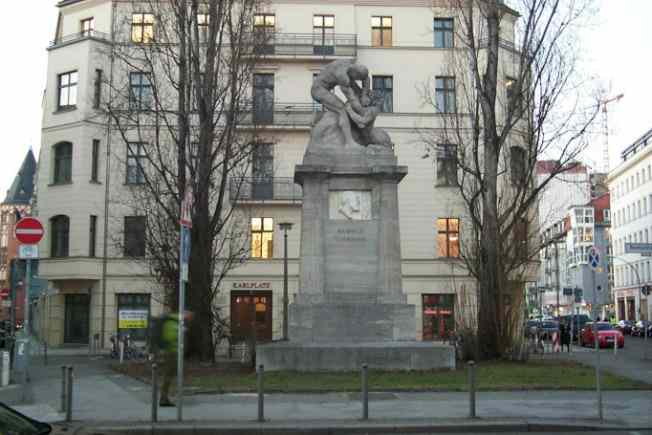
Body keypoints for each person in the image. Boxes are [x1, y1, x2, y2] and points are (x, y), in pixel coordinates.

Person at [311, 59, 370, 147]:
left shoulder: (350, 65)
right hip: (318, 90)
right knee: (342, 109)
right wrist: (361, 111)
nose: (356, 80)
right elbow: (351, 98)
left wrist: (364, 95)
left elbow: (366, 78)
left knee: (349, 100)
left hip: (326, 88)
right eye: (356, 78)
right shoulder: (342, 75)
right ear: (354, 73)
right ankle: (349, 142)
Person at [158, 311, 193, 407]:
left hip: (174, 352)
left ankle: (166, 396)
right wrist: (180, 335)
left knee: (171, 375)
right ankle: (164, 398)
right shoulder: (173, 323)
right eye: (188, 318)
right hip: (171, 353)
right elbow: (171, 337)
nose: (189, 320)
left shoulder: (175, 322)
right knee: (168, 376)